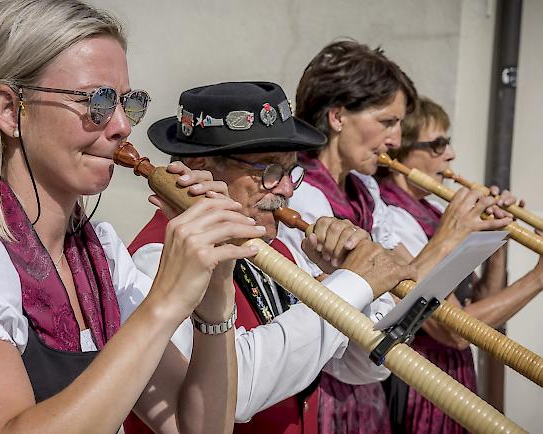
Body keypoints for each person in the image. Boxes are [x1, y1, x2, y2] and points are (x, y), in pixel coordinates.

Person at [0, 1, 267, 433]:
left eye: (128, 102)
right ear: (10, 111)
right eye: (98, 100)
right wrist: (164, 303)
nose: (122, 126)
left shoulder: (99, 258)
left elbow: (195, 428)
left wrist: (216, 291)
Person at [123, 81, 417, 434]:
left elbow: (361, 369)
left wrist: (358, 290)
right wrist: (350, 286)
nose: (288, 189)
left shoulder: (275, 249)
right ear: (200, 165)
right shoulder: (153, 260)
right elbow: (238, 391)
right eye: (269, 170)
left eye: (291, 171)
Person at [278, 40, 514, 434]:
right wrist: (446, 238)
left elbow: (402, 286)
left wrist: (484, 236)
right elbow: (374, 309)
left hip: (369, 388)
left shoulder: (366, 191)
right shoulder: (301, 193)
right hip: (323, 393)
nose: (395, 140)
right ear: (337, 116)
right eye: (388, 122)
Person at [377, 96, 543, 434]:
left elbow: (482, 304)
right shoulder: (391, 218)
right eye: (437, 145)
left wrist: (498, 238)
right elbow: (454, 330)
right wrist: (538, 278)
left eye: (448, 142)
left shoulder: (437, 213)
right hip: (422, 386)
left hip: (453, 374)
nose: (450, 154)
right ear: (400, 153)